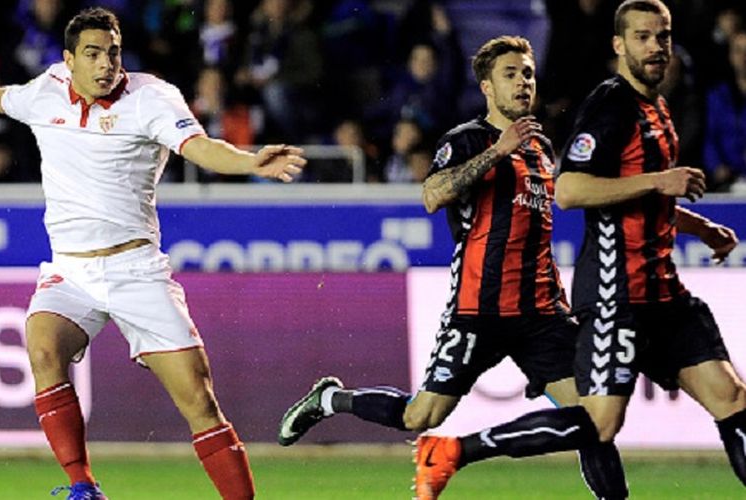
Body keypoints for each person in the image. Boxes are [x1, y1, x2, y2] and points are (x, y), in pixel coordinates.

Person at [400, 1, 746, 498]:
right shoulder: (607, 108)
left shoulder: (653, 113)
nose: (655, 47)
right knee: (592, 422)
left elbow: (639, 199)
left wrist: (699, 227)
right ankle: (451, 448)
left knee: (730, 397)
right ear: (619, 46)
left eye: (662, 37)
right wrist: (660, 180)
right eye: (643, 37)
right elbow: (572, 191)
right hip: (610, 298)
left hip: (645, 295)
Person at [278, 35, 628, 500]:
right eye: (510, 74)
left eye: (527, 73)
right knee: (420, 418)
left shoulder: (542, 151)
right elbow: (432, 195)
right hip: (477, 311)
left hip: (542, 315)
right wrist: (498, 151)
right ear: (487, 86)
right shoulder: (467, 140)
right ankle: (330, 398)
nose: (523, 82)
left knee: (594, 420)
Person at [0, 7, 305, 500]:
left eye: (113, 53)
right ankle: (83, 487)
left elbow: (199, 147)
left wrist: (250, 161)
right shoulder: (45, 90)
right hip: (71, 272)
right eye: (93, 55)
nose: (105, 66)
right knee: (43, 347)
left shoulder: (151, 98)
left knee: (199, 401)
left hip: (135, 269)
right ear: (68, 60)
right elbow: (2, 98)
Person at [703, 30, 746, 191]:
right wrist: (717, 166)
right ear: (731, 56)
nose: (744, 58)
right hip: (726, 181)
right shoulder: (718, 96)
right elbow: (710, 136)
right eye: (738, 51)